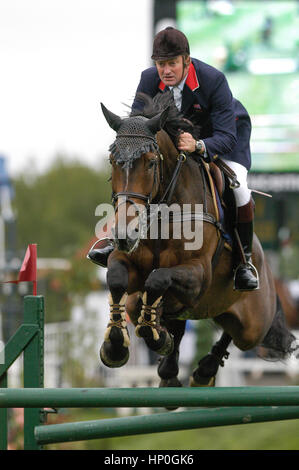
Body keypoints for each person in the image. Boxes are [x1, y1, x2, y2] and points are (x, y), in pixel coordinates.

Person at [88, 27, 258, 291]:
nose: (166, 70)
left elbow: (227, 136)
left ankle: (243, 261)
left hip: (223, 136)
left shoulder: (213, 80)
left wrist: (199, 145)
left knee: (240, 189)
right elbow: (137, 128)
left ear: (186, 61)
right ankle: (115, 239)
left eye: (172, 64)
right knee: (133, 170)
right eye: (160, 64)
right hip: (180, 140)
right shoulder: (148, 79)